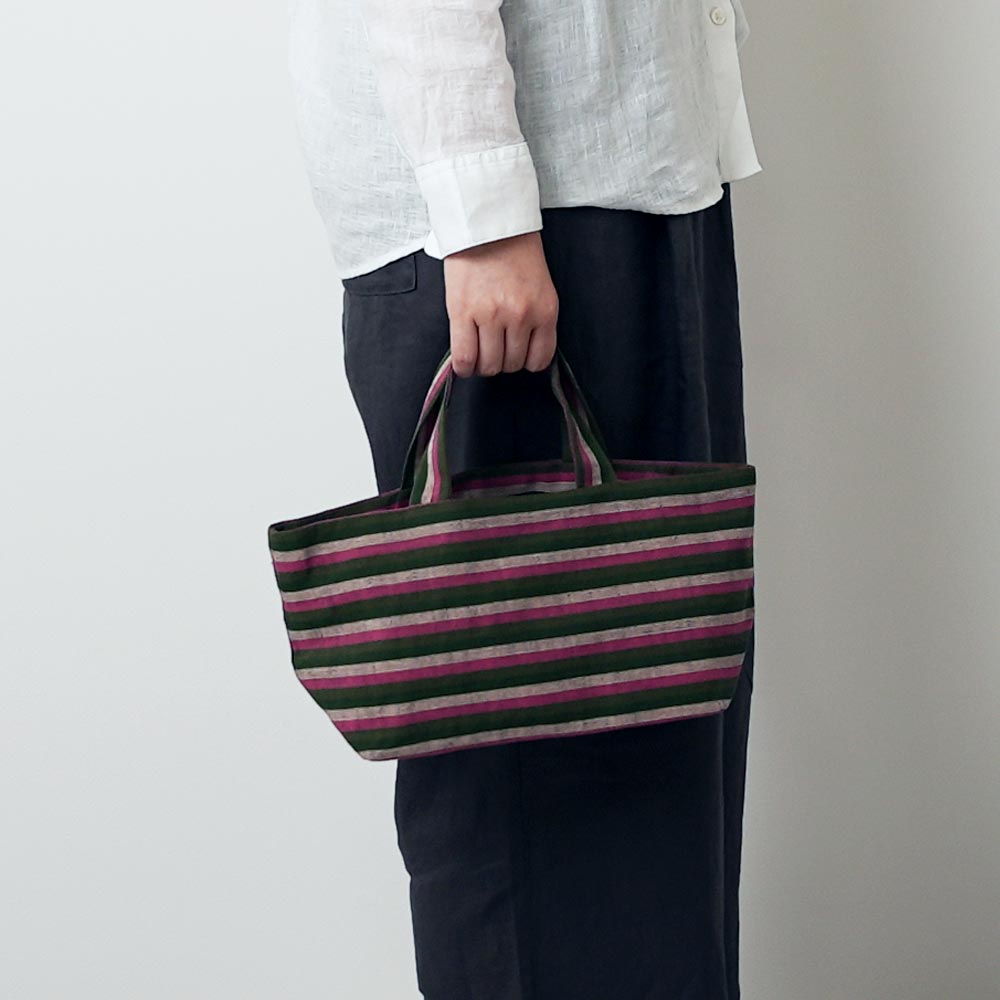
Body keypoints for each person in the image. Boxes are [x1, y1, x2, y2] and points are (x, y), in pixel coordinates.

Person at [288, 1, 761, 996]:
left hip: (636, 177)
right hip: (528, 213)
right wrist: (485, 214)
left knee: (662, 746)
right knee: (527, 792)